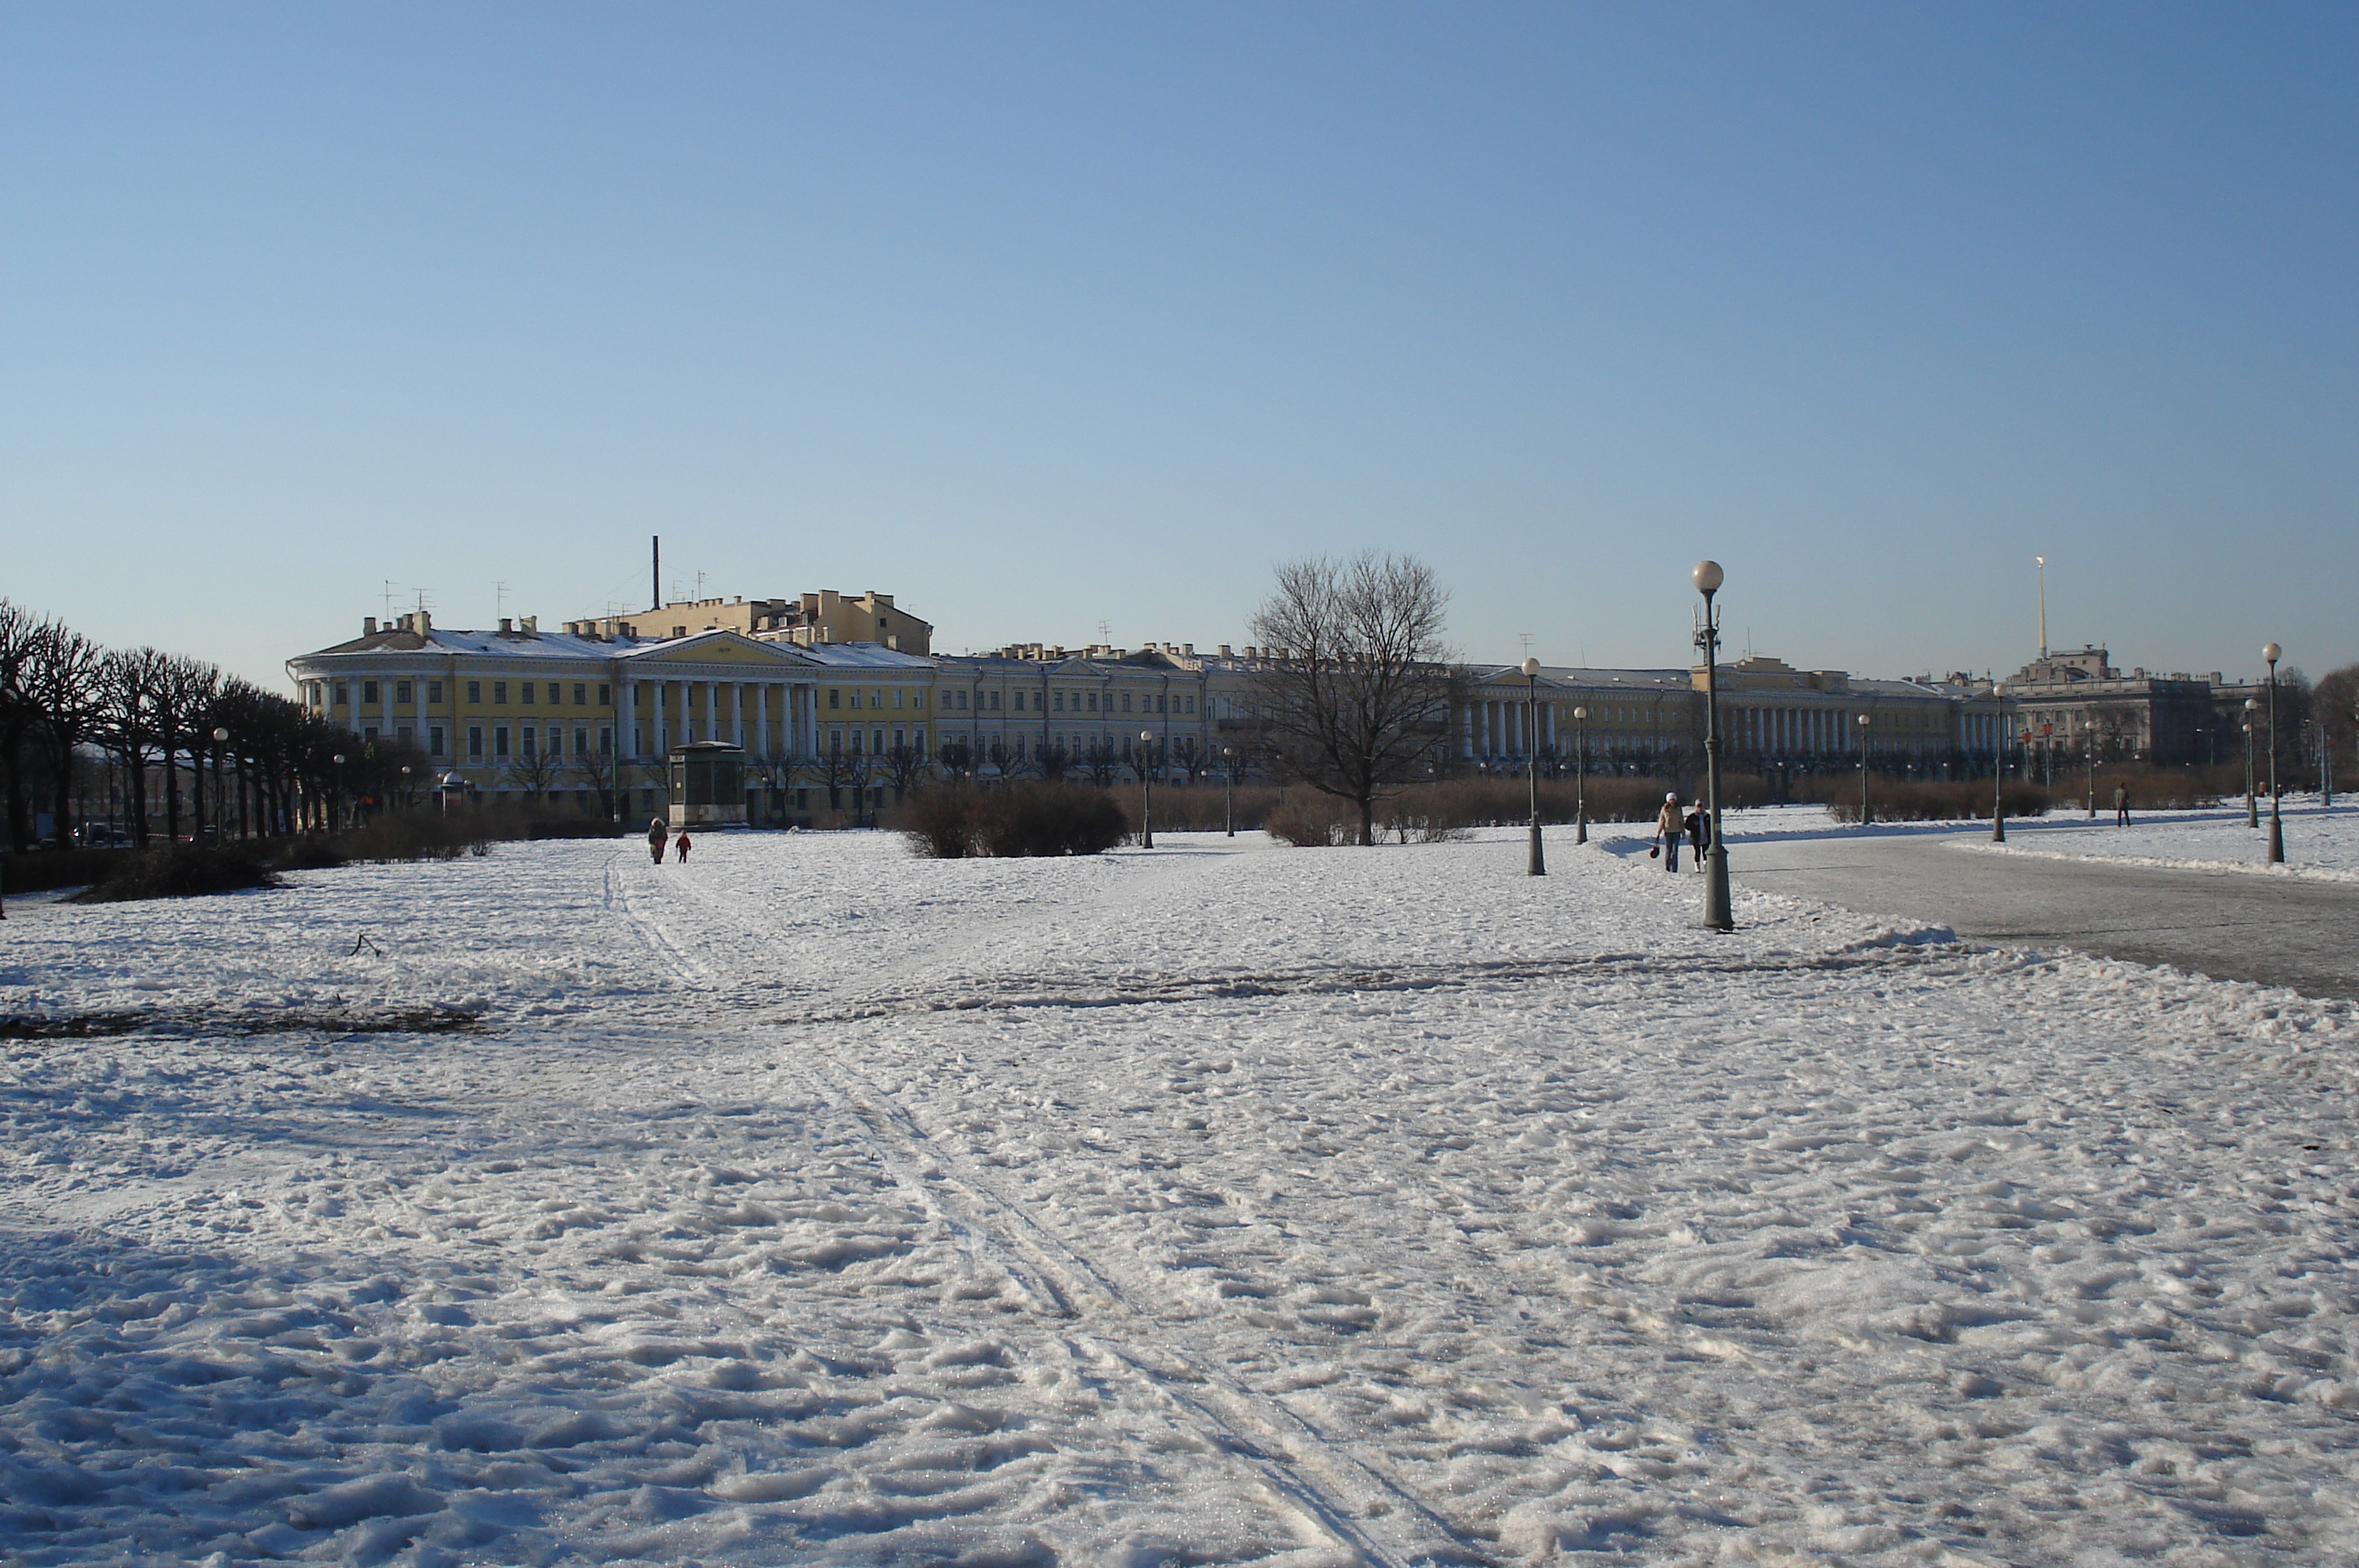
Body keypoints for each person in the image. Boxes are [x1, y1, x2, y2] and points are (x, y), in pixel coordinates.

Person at [1654, 792, 1685, 872]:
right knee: (1669, 850)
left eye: (1674, 799)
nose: (1672, 801)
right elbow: (1661, 821)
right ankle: (1668, 867)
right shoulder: (1664, 809)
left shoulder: (1678, 809)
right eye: (1671, 799)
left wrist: (1683, 831)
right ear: (1668, 800)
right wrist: (1658, 833)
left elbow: (1681, 820)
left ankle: (1674, 869)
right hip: (1668, 832)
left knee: (1675, 851)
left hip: (1677, 831)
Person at [1683, 802, 1712, 870]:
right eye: (1698, 807)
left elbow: (1711, 825)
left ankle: (1706, 866)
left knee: (1705, 851)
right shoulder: (1692, 817)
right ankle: (1697, 866)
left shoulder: (1707, 816)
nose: (1700, 808)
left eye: (1701, 806)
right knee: (1697, 852)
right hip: (1695, 837)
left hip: (1705, 836)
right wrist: (1693, 827)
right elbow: (1687, 826)